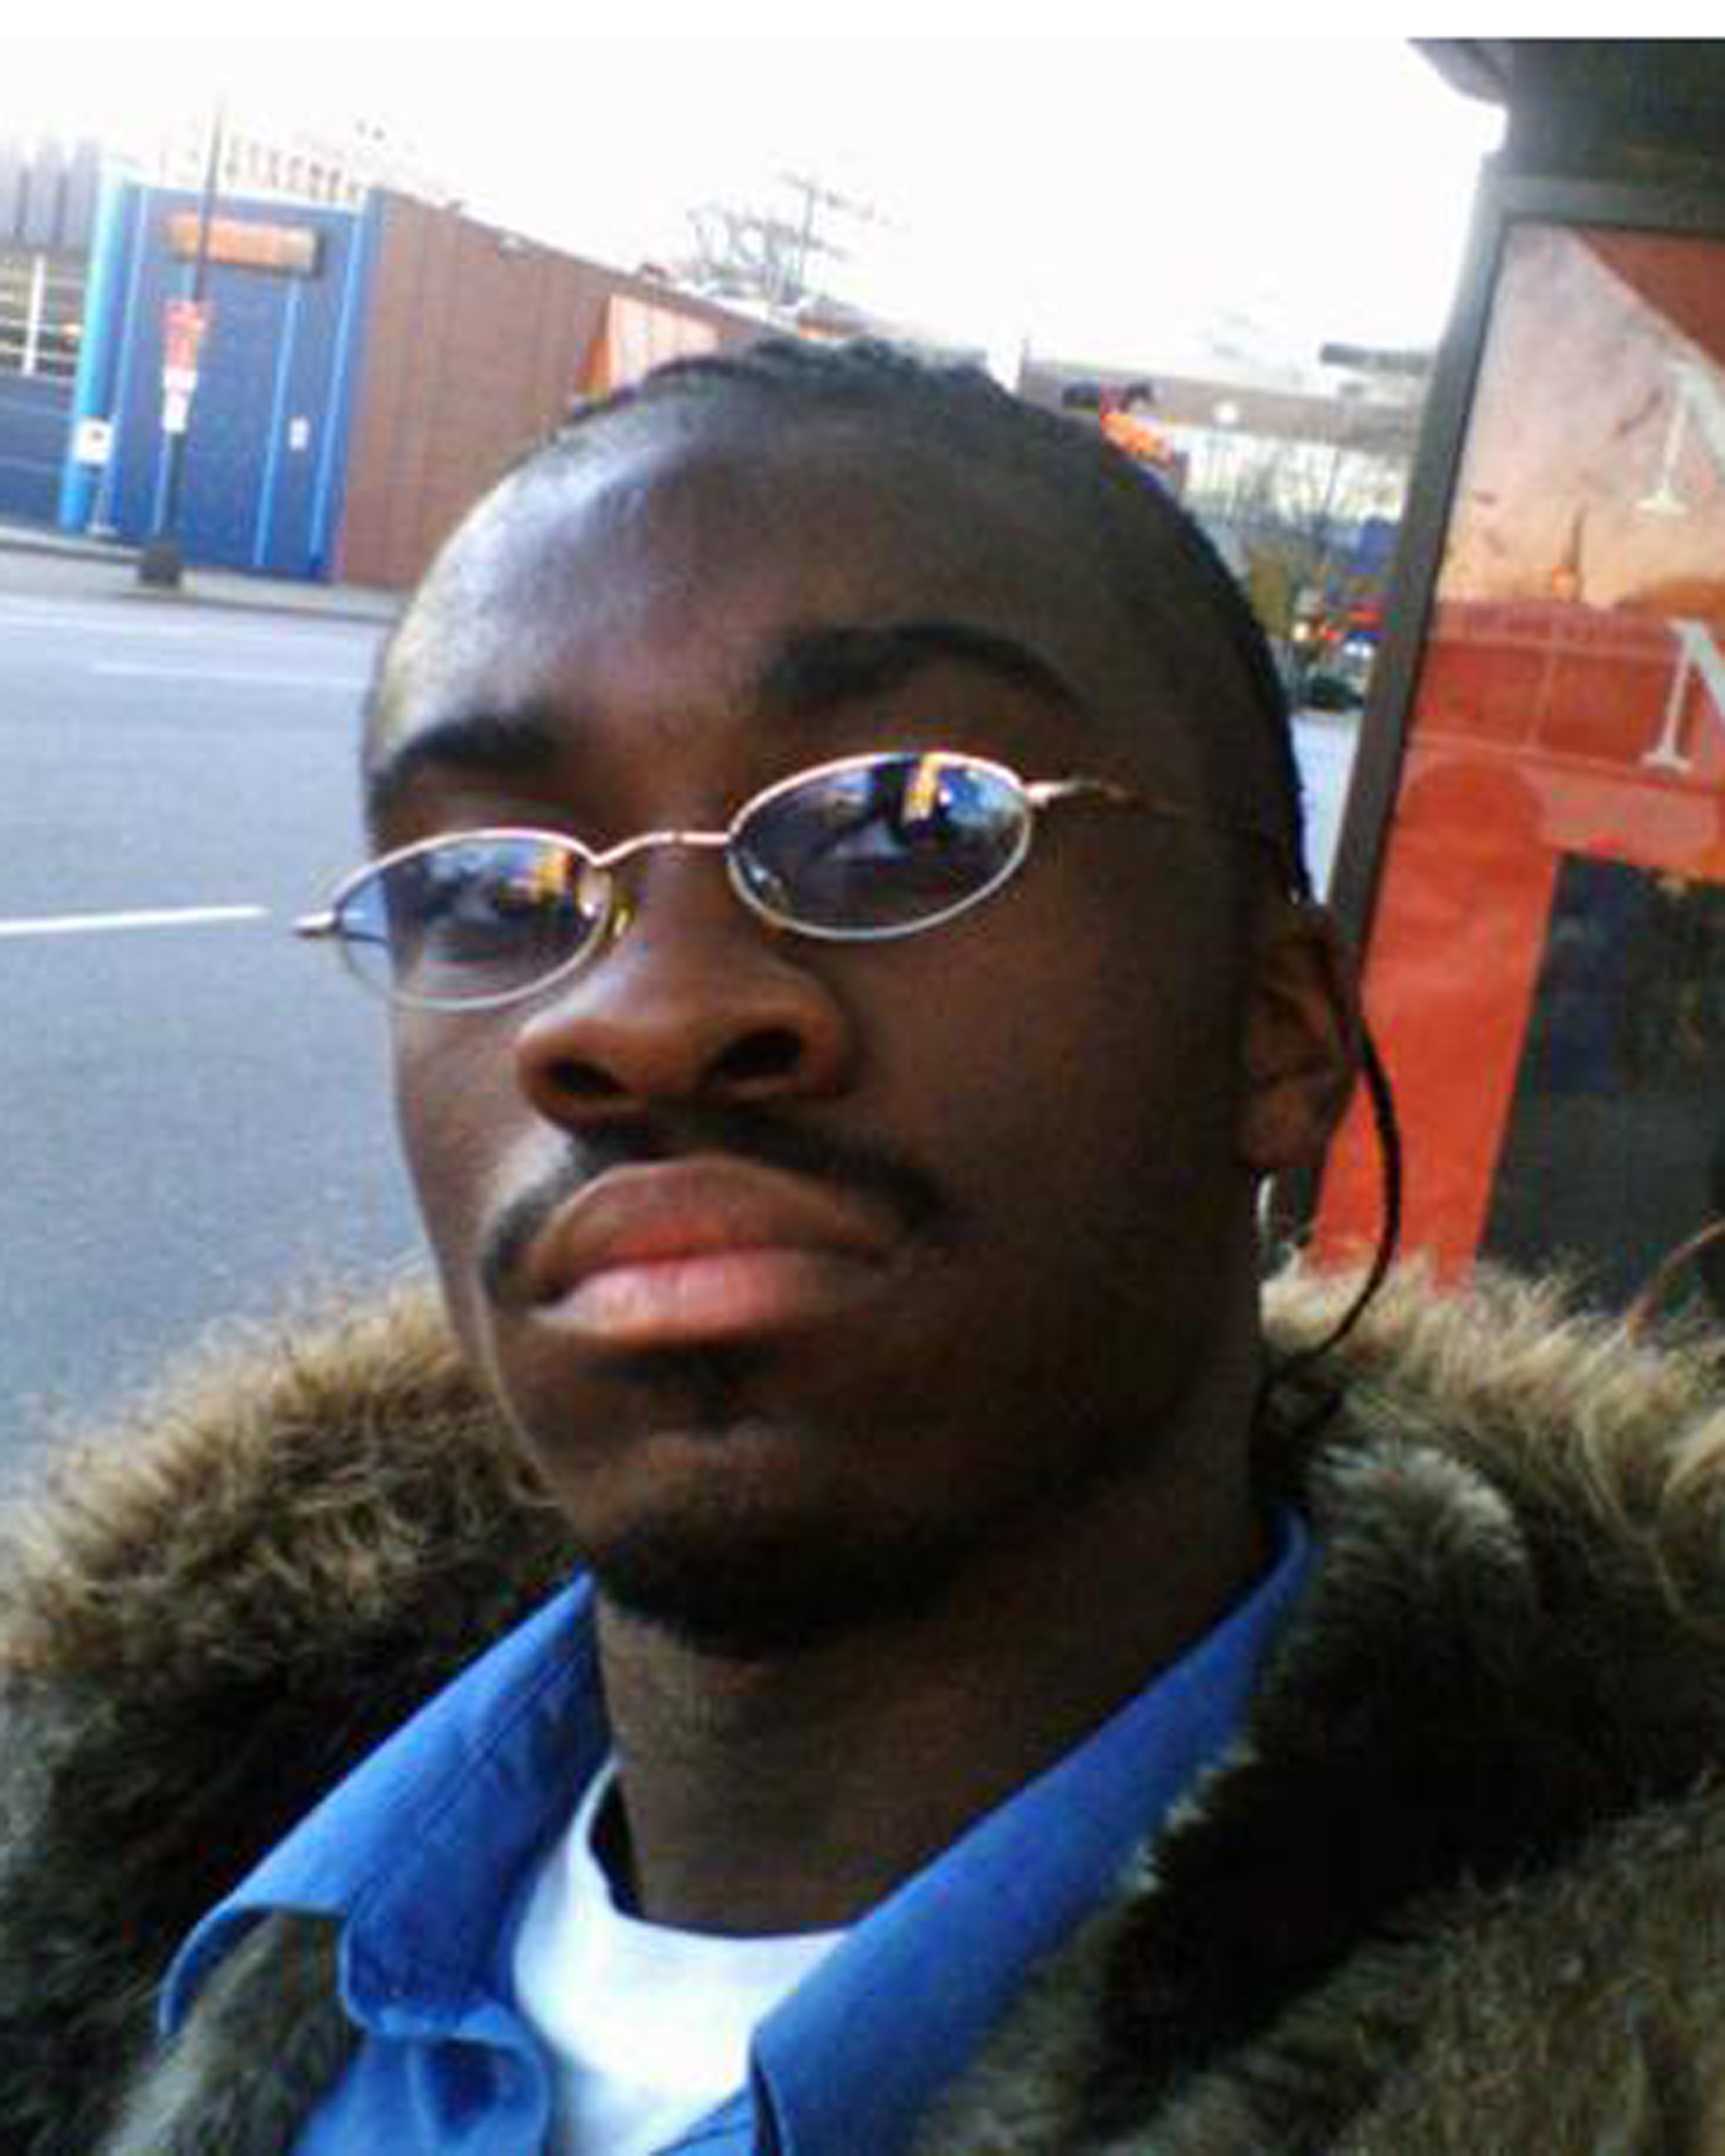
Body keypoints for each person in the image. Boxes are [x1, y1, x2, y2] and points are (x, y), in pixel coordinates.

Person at [5, 340, 1725, 2155]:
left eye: (903, 825)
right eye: (492, 890)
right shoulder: (90, 1868)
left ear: (1279, 1030)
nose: (633, 1017)